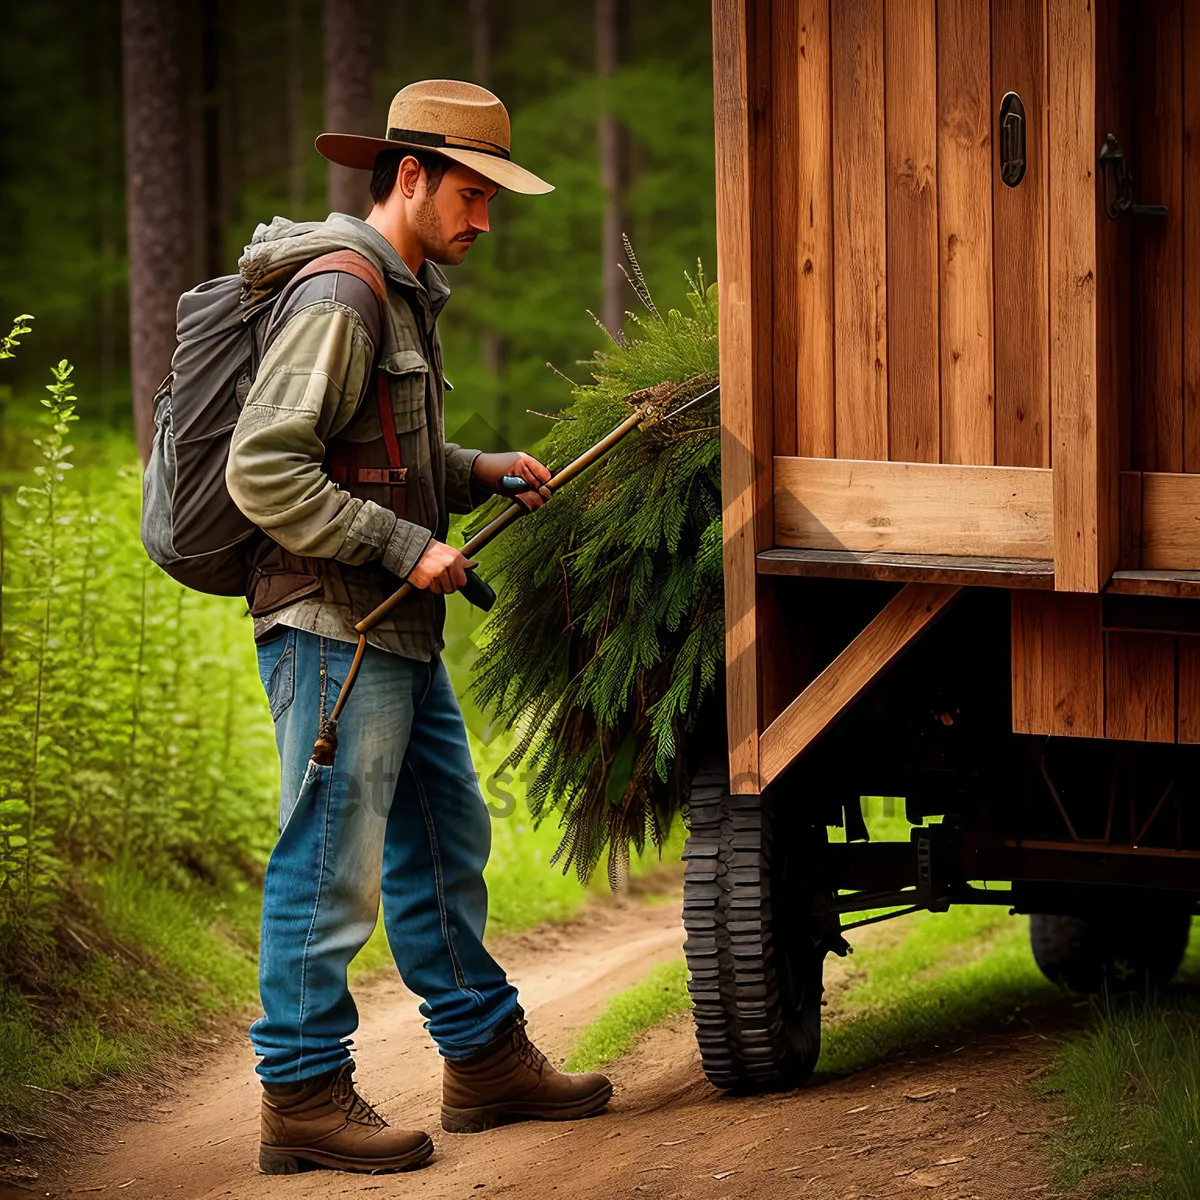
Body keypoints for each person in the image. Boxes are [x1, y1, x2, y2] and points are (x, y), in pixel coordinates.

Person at [226, 79, 612, 1177]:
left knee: (444, 835)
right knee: (331, 859)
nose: (483, 221)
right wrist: (407, 548)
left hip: (388, 623)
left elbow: (376, 455)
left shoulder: (402, 294)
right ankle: (299, 1093)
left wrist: (479, 475)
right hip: (333, 624)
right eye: (472, 195)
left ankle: (484, 1059)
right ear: (409, 176)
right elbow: (265, 467)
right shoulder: (342, 294)